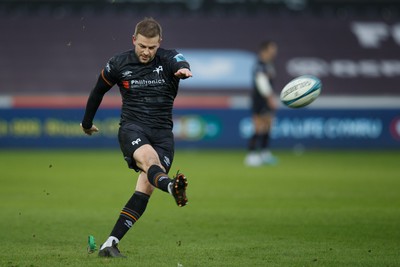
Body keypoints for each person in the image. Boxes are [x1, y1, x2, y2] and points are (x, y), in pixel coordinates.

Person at [80, 17, 192, 258]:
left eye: (152, 47)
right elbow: (97, 91)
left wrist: (184, 70)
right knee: (151, 162)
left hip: (162, 134)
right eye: (142, 46)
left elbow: (181, 61)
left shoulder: (170, 58)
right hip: (133, 128)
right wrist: (87, 123)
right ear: (134, 40)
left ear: (159, 43)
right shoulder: (119, 63)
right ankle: (172, 187)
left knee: (145, 189)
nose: (146, 52)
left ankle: (110, 243)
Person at [245, 41, 278, 167]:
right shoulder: (259, 65)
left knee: (268, 125)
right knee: (258, 126)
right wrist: (270, 98)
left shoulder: (269, 65)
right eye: (272, 49)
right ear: (264, 50)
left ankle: (264, 153)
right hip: (259, 99)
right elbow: (262, 83)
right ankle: (251, 155)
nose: (274, 52)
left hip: (266, 98)